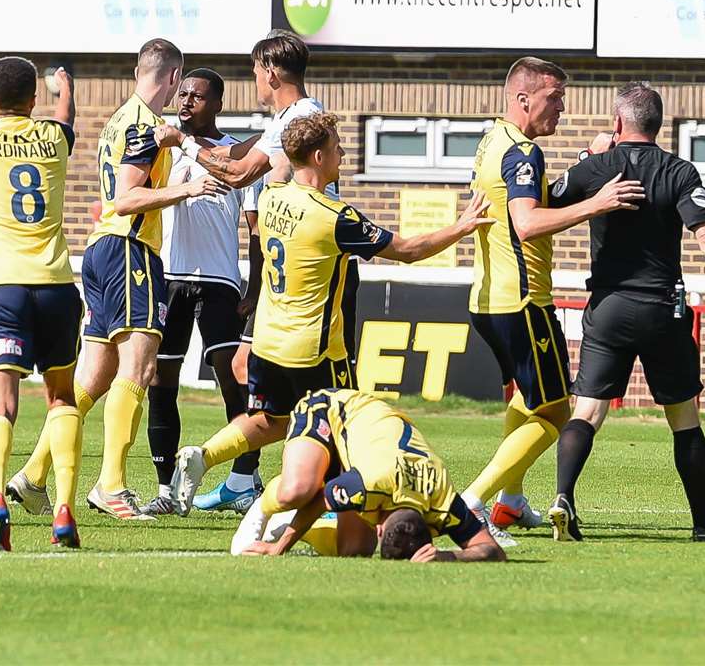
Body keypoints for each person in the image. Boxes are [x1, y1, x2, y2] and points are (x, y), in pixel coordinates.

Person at [171, 112, 490, 514]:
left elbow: (278, 162)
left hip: (269, 342)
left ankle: (202, 456)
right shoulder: (335, 217)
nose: (343, 152)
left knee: (271, 421)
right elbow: (408, 251)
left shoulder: (271, 197)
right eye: (337, 146)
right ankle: (335, 512)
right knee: (340, 431)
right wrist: (460, 227)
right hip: (316, 351)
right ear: (319, 156)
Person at [10, 38, 220, 521]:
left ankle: (34, 474)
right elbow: (126, 197)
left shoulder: (120, 120)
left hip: (102, 250)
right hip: (130, 248)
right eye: (178, 85)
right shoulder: (144, 125)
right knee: (140, 370)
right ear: (172, 78)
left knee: (93, 377)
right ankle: (112, 486)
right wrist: (185, 188)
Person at [546, 82, 705, 542]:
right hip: (662, 310)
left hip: (607, 308)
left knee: (586, 411)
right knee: (683, 419)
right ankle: (704, 523)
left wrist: (589, 156)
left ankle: (563, 498)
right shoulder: (679, 171)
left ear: (618, 122)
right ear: (658, 124)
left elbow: (545, 201)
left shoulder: (596, 168)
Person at [460, 57, 644, 543]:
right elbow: (527, 221)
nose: (562, 107)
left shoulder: (492, 140)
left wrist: (585, 160)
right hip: (523, 301)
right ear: (524, 99)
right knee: (557, 413)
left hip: (489, 297)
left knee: (527, 401)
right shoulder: (522, 152)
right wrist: (597, 203)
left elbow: (533, 198)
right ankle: (469, 506)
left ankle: (511, 502)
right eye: (554, 97)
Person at [155, 30, 330, 511]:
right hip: (284, 265)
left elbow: (236, 173)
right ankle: (240, 478)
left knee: (312, 387)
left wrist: (184, 146)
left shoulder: (298, 118)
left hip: (311, 263)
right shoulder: (287, 119)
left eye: (255, 70)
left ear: (271, 71)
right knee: (242, 367)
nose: (254, 78)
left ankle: (323, 482)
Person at [0, 57, 85, 550]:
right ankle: (65, 509)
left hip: (0, 286)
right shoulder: (53, 139)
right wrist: (64, 88)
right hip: (55, 284)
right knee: (62, 398)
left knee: (0, 402)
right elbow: (67, 116)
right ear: (34, 100)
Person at [140, 68, 255, 517]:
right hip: (169, 278)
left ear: (218, 104)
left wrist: (256, 287)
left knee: (233, 378)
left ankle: (244, 478)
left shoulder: (237, 155)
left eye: (198, 96)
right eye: (182, 93)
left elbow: (256, 228)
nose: (186, 101)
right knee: (160, 381)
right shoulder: (159, 148)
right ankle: (167, 490)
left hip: (221, 280)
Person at [231, 389, 505, 564]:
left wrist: (447, 557)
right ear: (380, 529)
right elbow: (319, 500)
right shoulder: (370, 483)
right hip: (330, 408)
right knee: (299, 491)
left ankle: (287, 524)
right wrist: (280, 548)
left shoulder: (441, 498)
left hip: (371, 448)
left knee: (354, 552)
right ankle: (265, 504)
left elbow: (493, 551)